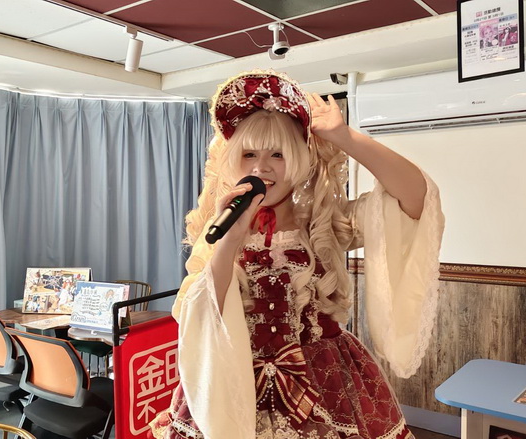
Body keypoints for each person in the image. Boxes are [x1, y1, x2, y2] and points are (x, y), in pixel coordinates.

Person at [150, 70, 444, 439]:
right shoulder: (219, 226)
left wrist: (344, 136)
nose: (261, 167)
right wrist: (230, 240)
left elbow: (417, 198)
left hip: (326, 381)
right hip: (231, 381)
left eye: (278, 154)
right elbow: (203, 312)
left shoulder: (324, 223)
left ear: (299, 160)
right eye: (249, 154)